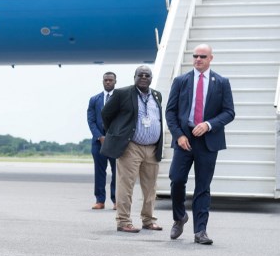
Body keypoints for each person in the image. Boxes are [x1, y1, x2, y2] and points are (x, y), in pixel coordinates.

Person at [166, 44, 235, 245]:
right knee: (176, 179)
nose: (198, 59)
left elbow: (229, 112)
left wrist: (208, 124)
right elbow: (170, 112)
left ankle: (200, 231)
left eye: (202, 56)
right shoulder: (181, 81)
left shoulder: (221, 82)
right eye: (195, 55)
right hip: (184, 139)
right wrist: (179, 135)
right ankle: (179, 217)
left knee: (202, 186)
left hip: (207, 141)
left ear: (211, 58)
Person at [100, 65, 164, 233]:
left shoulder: (156, 95)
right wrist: (117, 132)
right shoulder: (122, 93)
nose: (143, 77)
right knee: (126, 185)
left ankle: (148, 220)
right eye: (140, 75)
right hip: (131, 147)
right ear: (134, 77)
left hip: (152, 148)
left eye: (147, 75)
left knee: (150, 187)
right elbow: (106, 114)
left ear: (151, 78)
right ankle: (123, 221)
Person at [87, 72, 117, 210]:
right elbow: (91, 121)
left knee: (117, 172)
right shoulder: (94, 99)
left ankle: (116, 200)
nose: (108, 82)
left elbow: (123, 119)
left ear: (115, 81)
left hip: (115, 141)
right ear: (102, 81)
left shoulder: (120, 98)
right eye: (106, 80)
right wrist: (99, 136)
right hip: (98, 142)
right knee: (99, 172)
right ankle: (100, 200)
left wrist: (112, 137)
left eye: (110, 80)